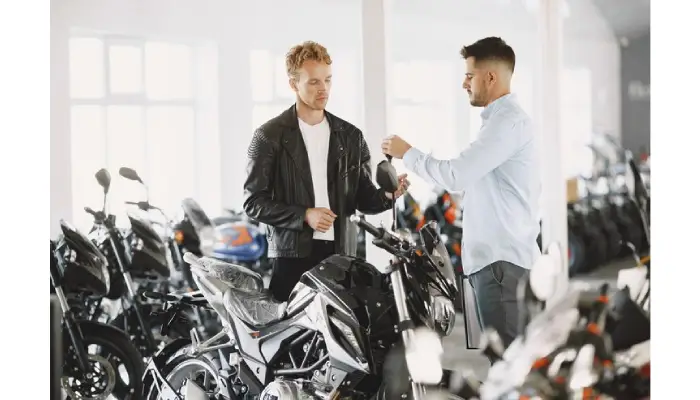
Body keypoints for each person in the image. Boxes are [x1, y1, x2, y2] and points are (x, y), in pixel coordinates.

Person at [381, 37, 541, 358]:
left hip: (501, 267)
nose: (464, 83)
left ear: (490, 77)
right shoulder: (500, 123)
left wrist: (407, 152)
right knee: (503, 361)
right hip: (496, 265)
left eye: (470, 75)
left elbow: (456, 175)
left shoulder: (507, 123)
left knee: (508, 365)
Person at [243, 41, 410, 302]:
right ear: (293, 84)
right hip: (292, 259)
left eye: (328, 80)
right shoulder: (268, 136)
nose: (324, 89)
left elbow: (363, 198)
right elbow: (253, 203)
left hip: (342, 256)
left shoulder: (351, 136)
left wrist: (388, 195)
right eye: (314, 82)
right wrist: (304, 215)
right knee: (292, 328)